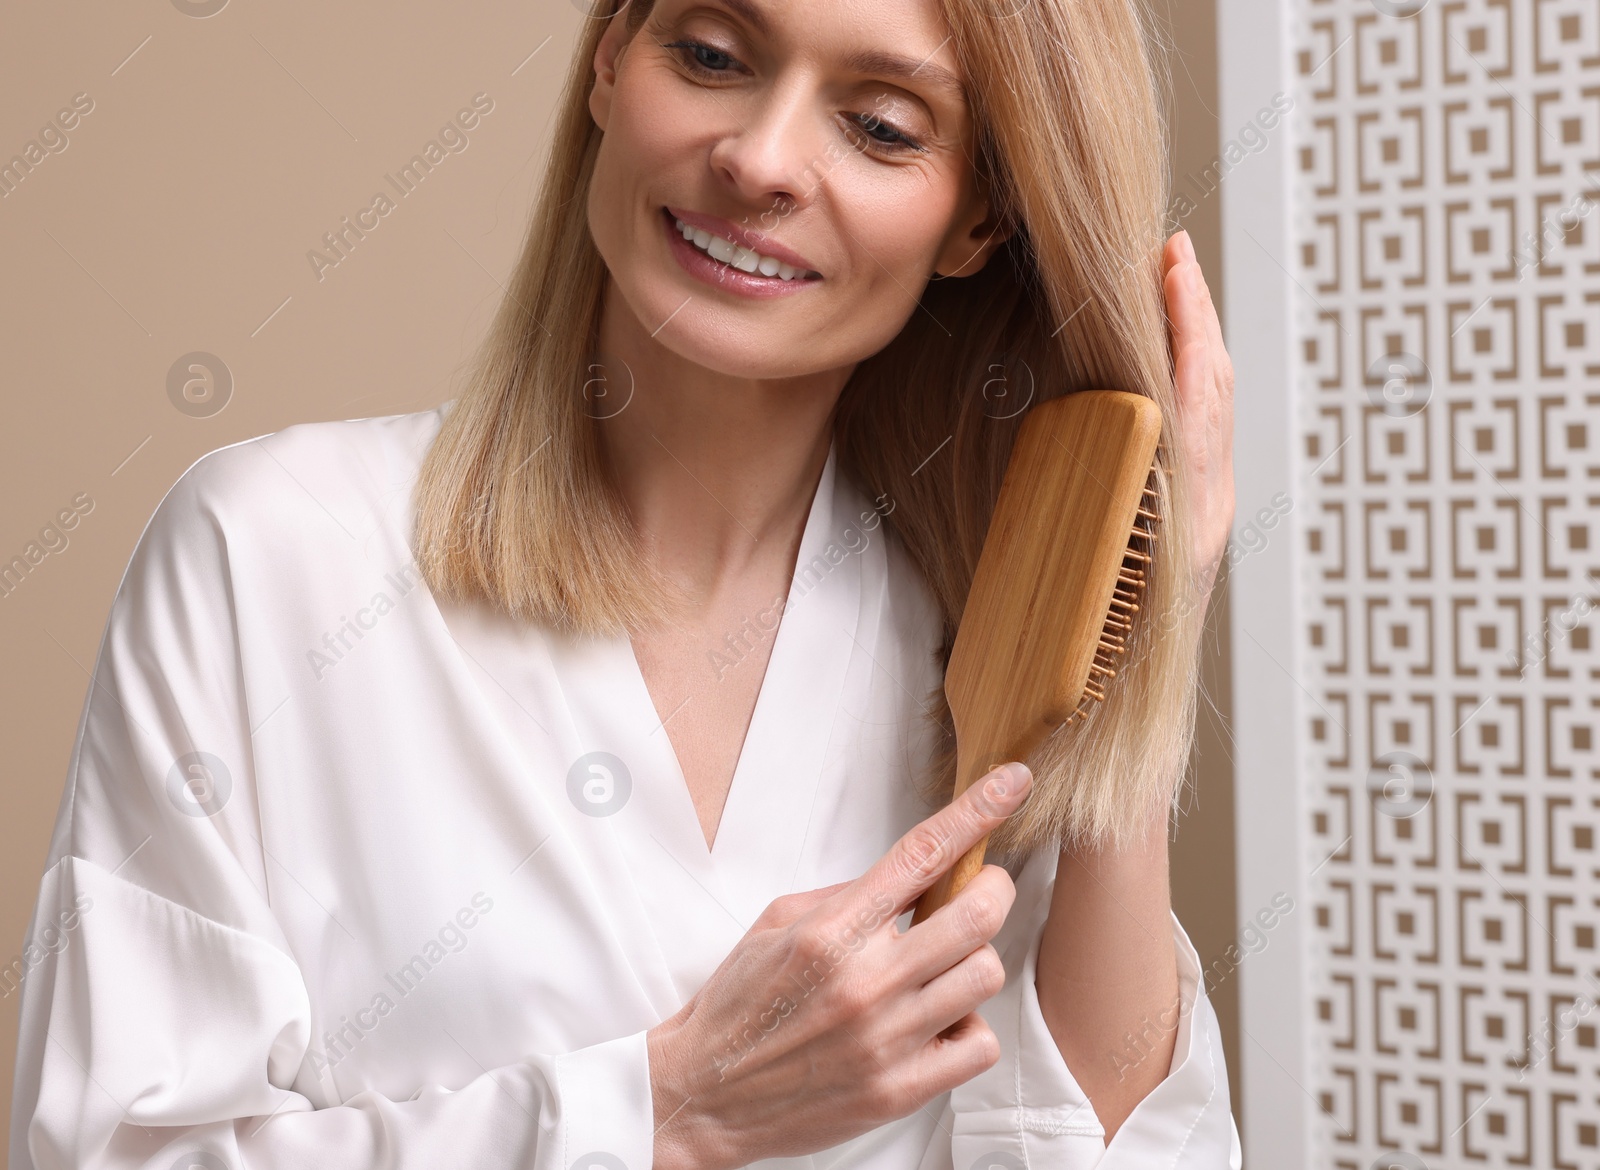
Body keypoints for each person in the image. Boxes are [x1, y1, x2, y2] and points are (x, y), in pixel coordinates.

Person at [9, 0, 1241, 1166]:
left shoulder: (979, 642)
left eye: (878, 127)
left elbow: (1101, 1145)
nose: (759, 159)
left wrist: (1141, 640)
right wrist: (662, 1114)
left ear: (976, 223)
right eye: (711, 54)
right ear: (609, 62)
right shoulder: (268, 555)